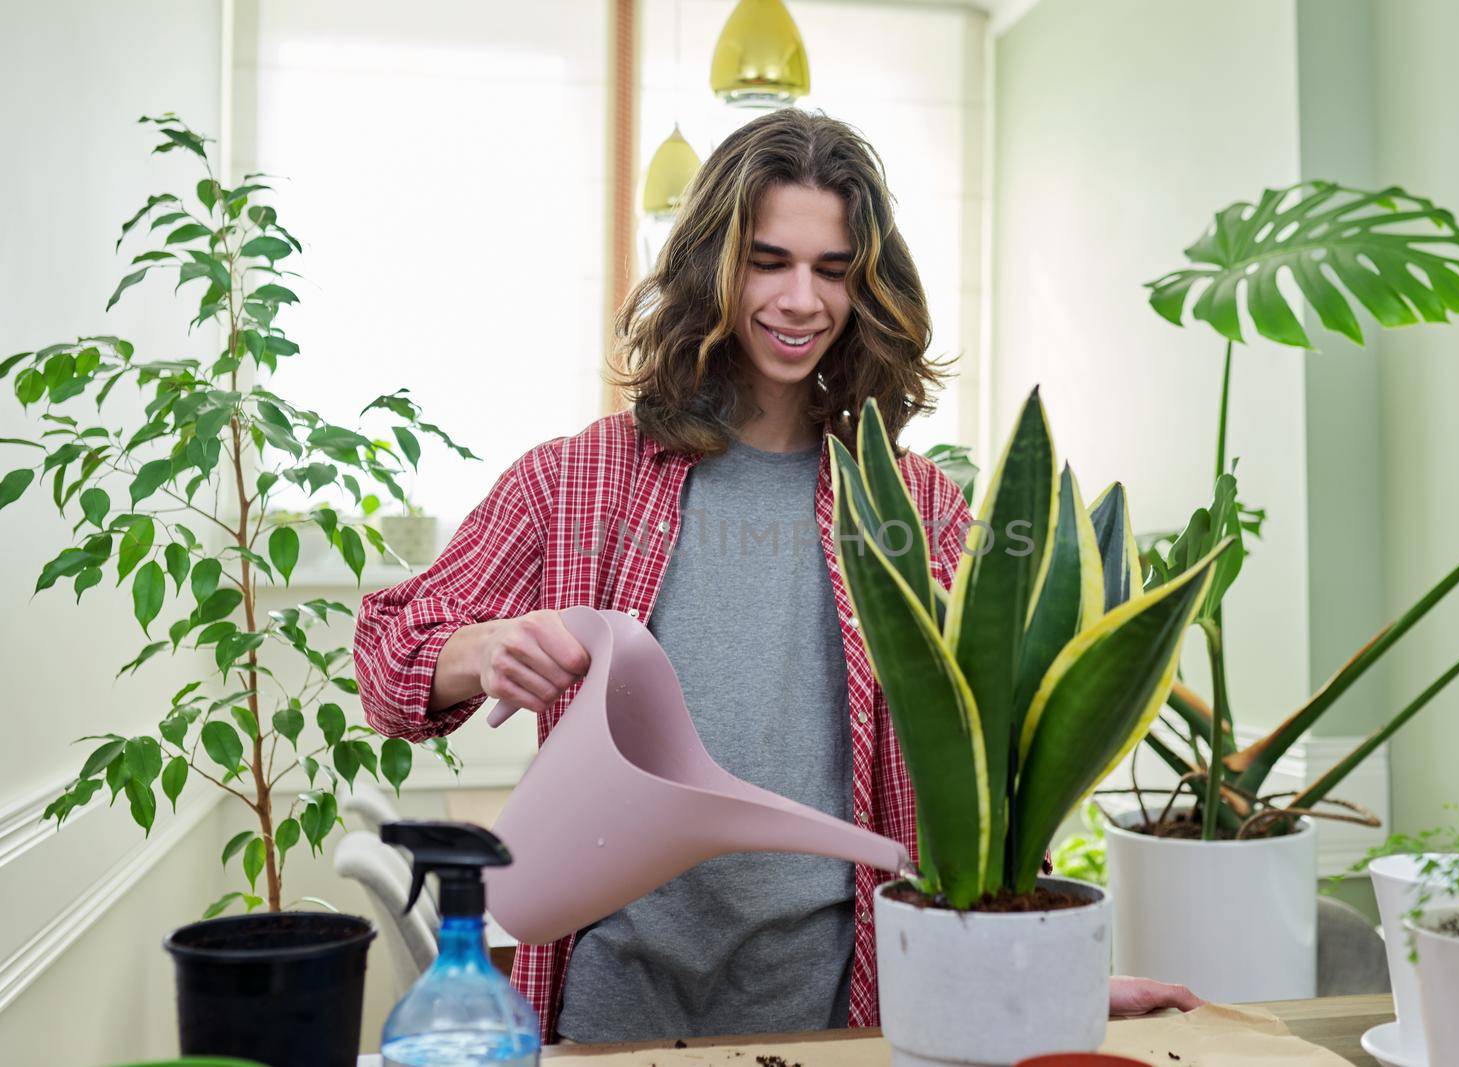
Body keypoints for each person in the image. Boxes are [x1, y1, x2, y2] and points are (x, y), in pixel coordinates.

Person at [354, 108, 1200, 1045]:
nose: (802, 299)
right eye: (768, 261)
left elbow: (999, 761)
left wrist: (1046, 967)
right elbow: (389, 658)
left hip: (840, 997)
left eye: (833, 270)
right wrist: (483, 649)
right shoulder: (580, 478)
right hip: (619, 992)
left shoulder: (914, 509)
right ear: (711, 267)